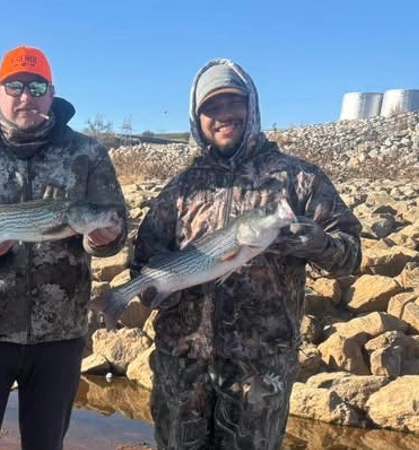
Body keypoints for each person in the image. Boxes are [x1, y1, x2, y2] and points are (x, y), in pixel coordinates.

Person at [125, 58, 362, 450]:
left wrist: (321, 244)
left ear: (251, 106)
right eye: (211, 107)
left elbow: (352, 255)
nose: (223, 115)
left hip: (260, 371)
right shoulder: (181, 188)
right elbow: (143, 259)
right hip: (183, 365)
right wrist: (160, 289)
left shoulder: (298, 179)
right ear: (196, 116)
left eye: (233, 102)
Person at [0, 45, 128, 450]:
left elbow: (113, 222)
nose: (26, 95)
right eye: (15, 85)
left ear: (51, 93)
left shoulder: (87, 153)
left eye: (37, 86)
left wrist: (103, 239)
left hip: (60, 337)